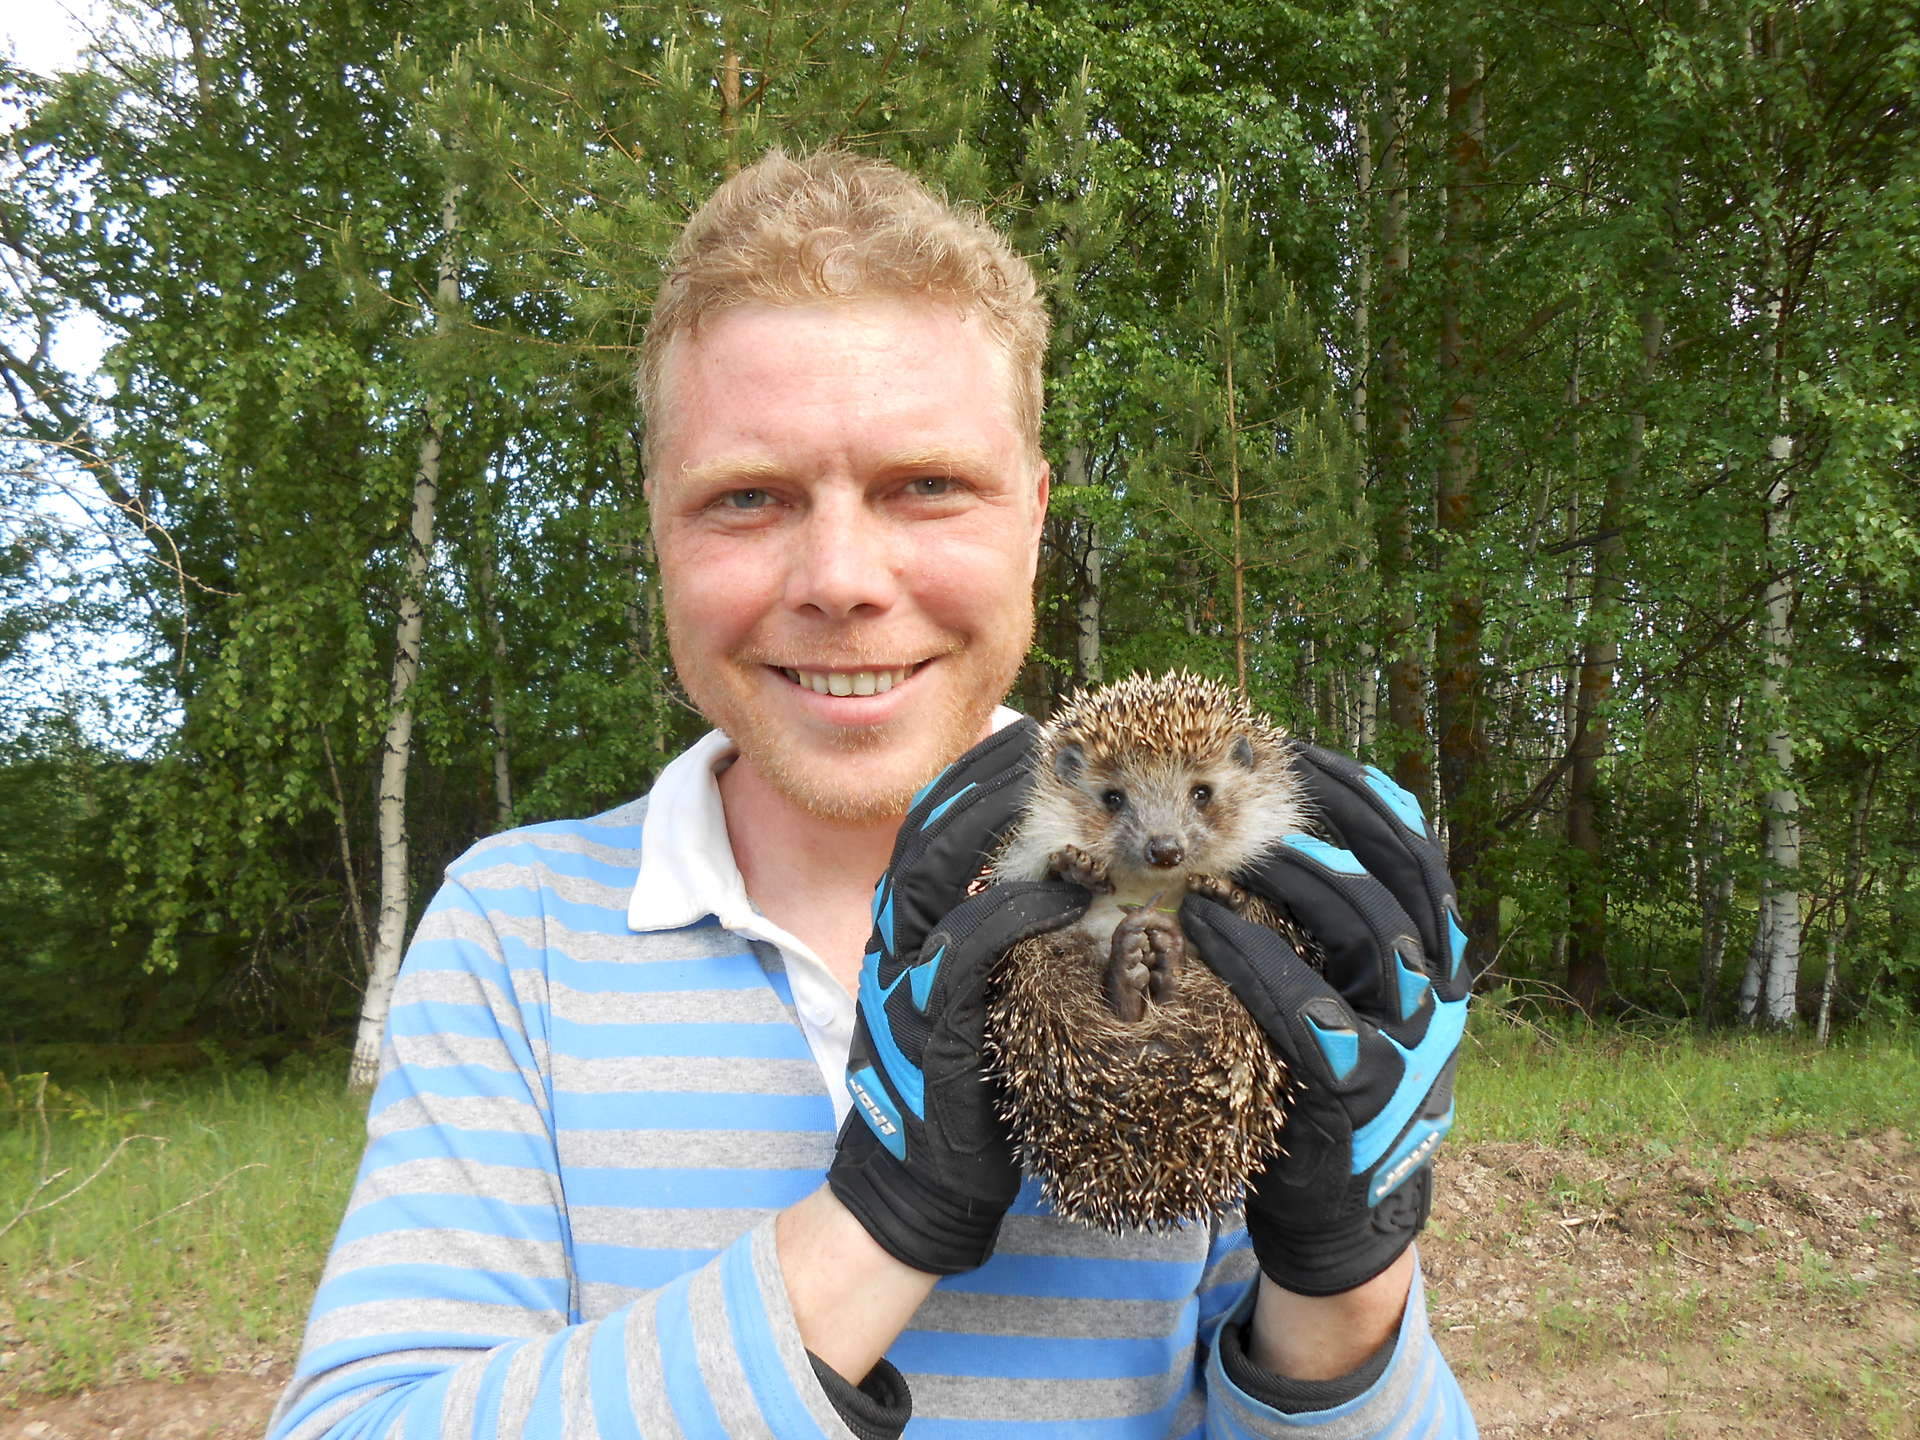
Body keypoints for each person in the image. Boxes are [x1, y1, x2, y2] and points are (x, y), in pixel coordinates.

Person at [268, 148, 1478, 1439]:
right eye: (748, 497)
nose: (840, 579)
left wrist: (1344, 1291)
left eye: (927, 486)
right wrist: (873, 1228)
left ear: (1035, 517)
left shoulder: (1257, 931)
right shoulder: (516, 934)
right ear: (658, 525)